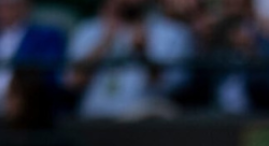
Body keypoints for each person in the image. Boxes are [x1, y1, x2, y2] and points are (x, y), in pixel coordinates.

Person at [65, 0, 195, 119]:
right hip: (93, 120)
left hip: (145, 125)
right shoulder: (88, 30)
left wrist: (143, 54)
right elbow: (73, 82)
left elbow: (168, 88)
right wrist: (104, 42)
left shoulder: (174, 33)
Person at [0, 0, 67, 96]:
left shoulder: (47, 36)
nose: (3, 11)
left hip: (26, 102)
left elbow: (48, 75)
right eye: (2, 6)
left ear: (25, 7)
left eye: (9, 7)